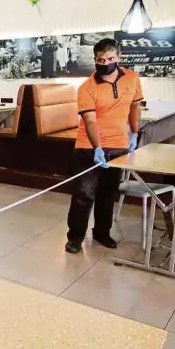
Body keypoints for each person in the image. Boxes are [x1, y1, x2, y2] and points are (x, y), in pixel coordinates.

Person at [65, 38, 143, 254]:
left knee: (107, 195)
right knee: (84, 195)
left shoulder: (132, 79)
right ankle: (75, 238)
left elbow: (135, 107)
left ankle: (101, 233)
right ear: (95, 60)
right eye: (100, 60)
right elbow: (90, 121)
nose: (105, 63)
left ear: (119, 57)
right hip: (88, 147)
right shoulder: (87, 87)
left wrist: (135, 133)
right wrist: (97, 148)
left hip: (119, 146)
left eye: (110, 58)